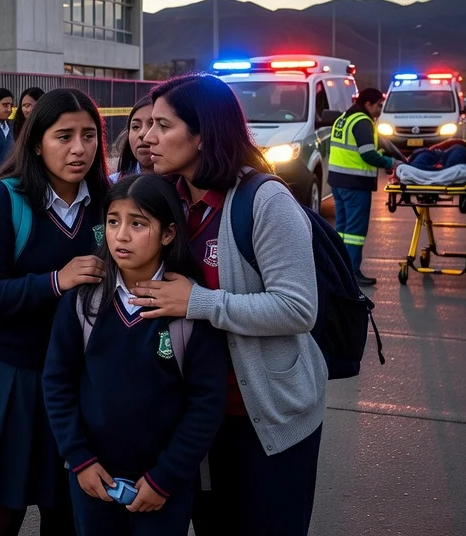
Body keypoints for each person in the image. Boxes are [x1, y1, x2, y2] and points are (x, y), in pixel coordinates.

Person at [136, 73, 326, 536]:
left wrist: (198, 301)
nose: (147, 137)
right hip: (199, 420)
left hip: (263, 417)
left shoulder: (265, 201)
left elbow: (298, 309)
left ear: (203, 135)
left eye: (163, 125)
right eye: (146, 126)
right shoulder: (172, 200)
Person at [0, 88, 110, 536]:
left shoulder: (105, 202)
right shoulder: (5, 200)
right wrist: (58, 280)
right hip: (12, 375)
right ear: (37, 142)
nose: (79, 148)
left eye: (89, 135)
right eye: (64, 136)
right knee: (5, 510)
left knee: (66, 509)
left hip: (76, 379)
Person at [43, 174, 228, 535]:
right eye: (113, 221)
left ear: (169, 233)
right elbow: (57, 382)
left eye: (138, 223)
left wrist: (166, 476)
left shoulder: (188, 307)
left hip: (162, 486)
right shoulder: (83, 302)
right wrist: (79, 458)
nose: (121, 235)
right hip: (94, 479)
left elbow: (206, 402)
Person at [327, 88, 398, 286]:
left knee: (342, 229)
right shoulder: (362, 121)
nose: (379, 110)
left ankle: (339, 271)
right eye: (378, 105)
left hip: (338, 181)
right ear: (368, 103)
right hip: (355, 183)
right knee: (355, 232)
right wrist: (391, 163)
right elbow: (368, 154)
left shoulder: (344, 118)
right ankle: (353, 273)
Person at [110, 96, 156, 183]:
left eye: (153, 124)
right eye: (135, 127)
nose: (142, 133)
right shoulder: (112, 185)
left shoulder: (185, 187)